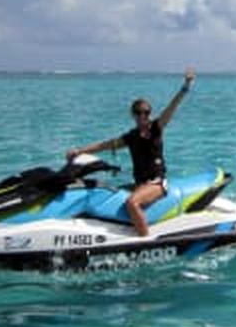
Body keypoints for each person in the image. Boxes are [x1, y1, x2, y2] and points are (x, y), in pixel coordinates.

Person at [66, 68, 196, 236]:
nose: (143, 116)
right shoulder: (131, 137)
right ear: (133, 115)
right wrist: (79, 151)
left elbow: (172, 106)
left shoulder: (156, 128)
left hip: (156, 183)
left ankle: (144, 240)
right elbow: (106, 145)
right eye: (139, 112)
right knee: (106, 194)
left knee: (132, 202)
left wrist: (185, 86)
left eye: (146, 112)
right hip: (140, 183)